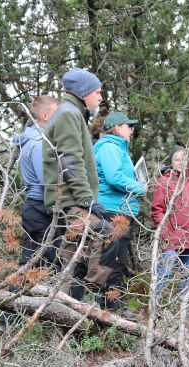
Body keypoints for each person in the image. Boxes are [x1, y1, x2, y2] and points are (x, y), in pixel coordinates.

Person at [42, 68, 115, 302]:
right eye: (97, 92)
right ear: (83, 92)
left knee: (74, 259)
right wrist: (87, 200)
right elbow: (70, 160)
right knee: (106, 232)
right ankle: (95, 294)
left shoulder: (73, 113)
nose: (100, 97)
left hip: (73, 200)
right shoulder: (68, 114)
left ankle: (66, 311)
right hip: (71, 201)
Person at [94, 110, 147, 315]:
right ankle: (110, 308)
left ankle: (113, 305)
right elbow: (115, 177)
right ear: (117, 128)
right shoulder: (109, 147)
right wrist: (140, 187)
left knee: (118, 260)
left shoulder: (117, 148)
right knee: (112, 260)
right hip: (113, 211)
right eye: (128, 126)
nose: (131, 130)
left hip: (120, 210)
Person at [150, 146, 189, 295]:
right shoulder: (163, 182)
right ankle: (154, 309)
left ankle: (182, 314)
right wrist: (165, 231)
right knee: (165, 273)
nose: (181, 162)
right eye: (177, 159)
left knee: (187, 276)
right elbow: (157, 210)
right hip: (172, 236)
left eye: (183, 159)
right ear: (171, 162)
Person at [13, 96, 60, 266]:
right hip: (42, 206)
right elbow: (47, 179)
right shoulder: (40, 142)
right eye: (58, 112)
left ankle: (15, 290)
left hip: (34, 206)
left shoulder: (31, 138)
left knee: (30, 259)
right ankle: (15, 290)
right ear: (46, 116)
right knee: (55, 257)